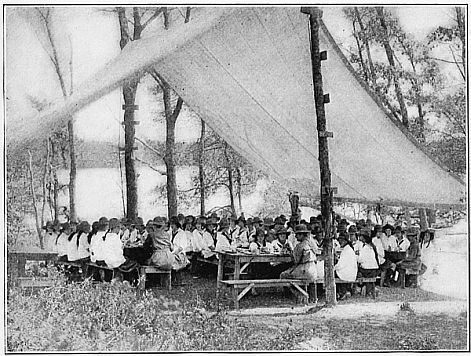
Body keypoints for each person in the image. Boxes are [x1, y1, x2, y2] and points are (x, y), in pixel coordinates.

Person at [334, 234, 358, 299]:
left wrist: (334, 268)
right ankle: (344, 291)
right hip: (351, 272)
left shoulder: (347, 250)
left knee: (334, 274)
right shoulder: (348, 249)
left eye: (342, 241)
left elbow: (340, 265)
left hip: (348, 273)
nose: (340, 242)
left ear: (345, 241)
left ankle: (342, 292)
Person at [357, 229, 379, 297]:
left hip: (368, 270)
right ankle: (369, 290)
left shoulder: (365, 247)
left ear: (363, 238)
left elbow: (360, 260)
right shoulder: (371, 246)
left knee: (357, 272)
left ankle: (363, 288)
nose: (359, 238)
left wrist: (356, 256)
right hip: (375, 269)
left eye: (360, 236)